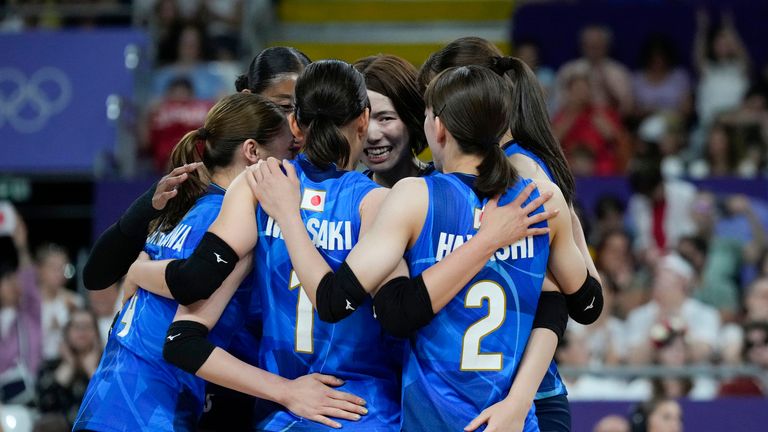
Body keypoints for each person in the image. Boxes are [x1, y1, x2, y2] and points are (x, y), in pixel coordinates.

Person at [249, 65, 592, 431]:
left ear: (438, 127)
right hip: (516, 416)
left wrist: (288, 215)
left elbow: (365, 308)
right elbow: (586, 304)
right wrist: (560, 215)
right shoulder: (540, 198)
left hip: (434, 418)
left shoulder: (415, 197)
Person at [73, 93, 342, 432]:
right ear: (252, 152)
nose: (296, 165)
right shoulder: (228, 218)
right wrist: (287, 391)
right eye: (290, 152)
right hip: (150, 407)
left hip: (105, 400)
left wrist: (137, 271)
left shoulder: (185, 207)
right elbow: (189, 295)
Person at [418, 36, 604, 431]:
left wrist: (518, 403)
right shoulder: (492, 170)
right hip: (485, 394)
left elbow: (573, 302)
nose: (433, 124)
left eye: (438, 106)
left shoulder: (520, 173)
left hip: (521, 399)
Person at [353, 54, 432, 187]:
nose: (372, 135)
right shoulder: (344, 196)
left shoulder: (450, 191)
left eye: (385, 118)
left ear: (412, 118)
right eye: (360, 120)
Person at [36, 309, 102, 426]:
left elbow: (110, 405)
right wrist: (69, 366)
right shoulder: (50, 366)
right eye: (76, 326)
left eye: (87, 326)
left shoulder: (108, 366)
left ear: (96, 333)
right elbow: (44, 407)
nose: (82, 332)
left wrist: (92, 372)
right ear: (67, 332)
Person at [555, 25, 634, 115]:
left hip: (608, 121)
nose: (593, 49)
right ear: (582, 45)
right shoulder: (568, 70)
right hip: (576, 121)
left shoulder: (619, 72)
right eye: (589, 45)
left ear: (607, 45)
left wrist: (608, 89)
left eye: (597, 45)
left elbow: (627, 108)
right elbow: (559, 104)